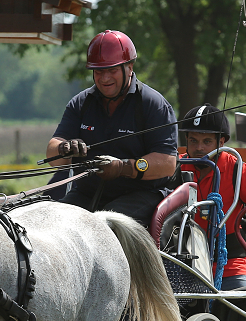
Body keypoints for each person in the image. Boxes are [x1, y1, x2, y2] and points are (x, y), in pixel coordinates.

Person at [45, 30, 178, 227]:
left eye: (112, 70)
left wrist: (123, 168)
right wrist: (65, 148)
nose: (104, 78)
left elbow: (167, 163)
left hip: (141, 195)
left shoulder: (153, 104)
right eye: (99, 71)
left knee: (105, 225)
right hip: (87, 193)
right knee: (53, 223)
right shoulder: (81, 103)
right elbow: (52, 154)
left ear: (129, 67)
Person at [179, 103, 246, 290]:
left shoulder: (236, 169)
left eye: (207, 141)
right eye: (193, 141)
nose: (199, 148)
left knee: (240, 311)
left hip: (229, 266)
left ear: (222, 142)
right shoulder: (176, 167)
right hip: (184, 263)